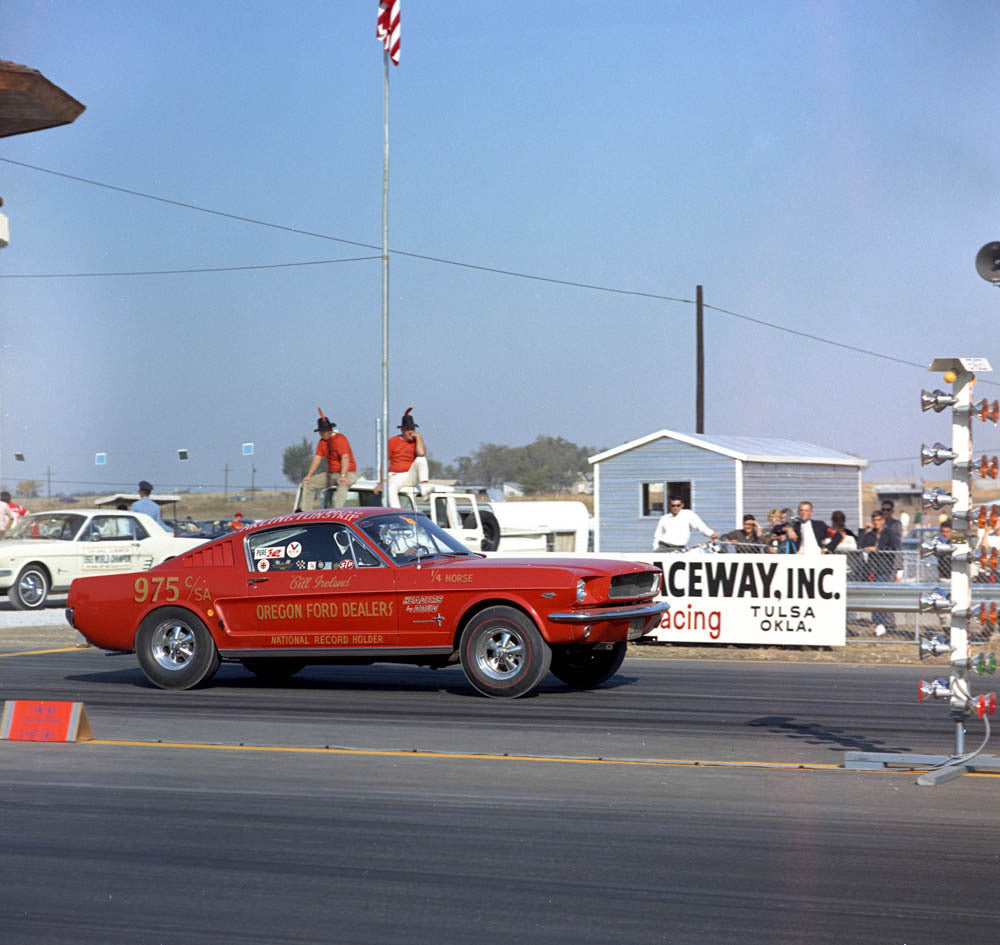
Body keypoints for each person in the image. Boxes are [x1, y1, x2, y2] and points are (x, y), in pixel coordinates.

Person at [301, 409, 359, 509]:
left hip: (348, 472)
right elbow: (317, 459)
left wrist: (343, 475)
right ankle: (306, 513)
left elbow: (345, 457)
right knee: (308, 484)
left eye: (324, 431)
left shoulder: (340, 439)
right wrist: (309, 475)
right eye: (321, 432)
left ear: (330, 430)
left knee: (342, 484)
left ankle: (337, 511)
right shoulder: (322, 442)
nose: (322, 434)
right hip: (332, 474)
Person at [860, 510, 900, 635]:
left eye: (878, 520)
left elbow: (894, 547)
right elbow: (860, 544)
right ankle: (878, 623)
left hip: (885, 568)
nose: (876, 523)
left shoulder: (889, 533)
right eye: (874, 520)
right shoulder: (870, 534)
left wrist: (878, 549)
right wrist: (863, 531)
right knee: (874, 595)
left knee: (881, 595)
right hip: (872, 568)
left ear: (883, 521)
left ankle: (882, 623)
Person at [386, 407, 430, 508]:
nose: (410, 432)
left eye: (412, 429)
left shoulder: (416, 441)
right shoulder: (393, 441)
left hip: (410, 474)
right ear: (402, 430)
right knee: (390, 489)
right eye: (408, 429)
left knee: (421, 459)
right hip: (395, 475)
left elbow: (421, 453)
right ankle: (397, 512)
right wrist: (382, 482)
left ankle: (424, 489)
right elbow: (383, 463)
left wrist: (419, 438)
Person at [652, 496, 718, 551]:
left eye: (678, 505)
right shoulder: (664, 518)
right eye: (673, 505)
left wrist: (711, 533)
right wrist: (655, 548)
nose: (675, 507)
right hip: (663, 548)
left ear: (682, 505)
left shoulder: (688, 514)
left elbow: (700, 526)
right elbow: (657, 535)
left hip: (679, 549)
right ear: (670, 506)